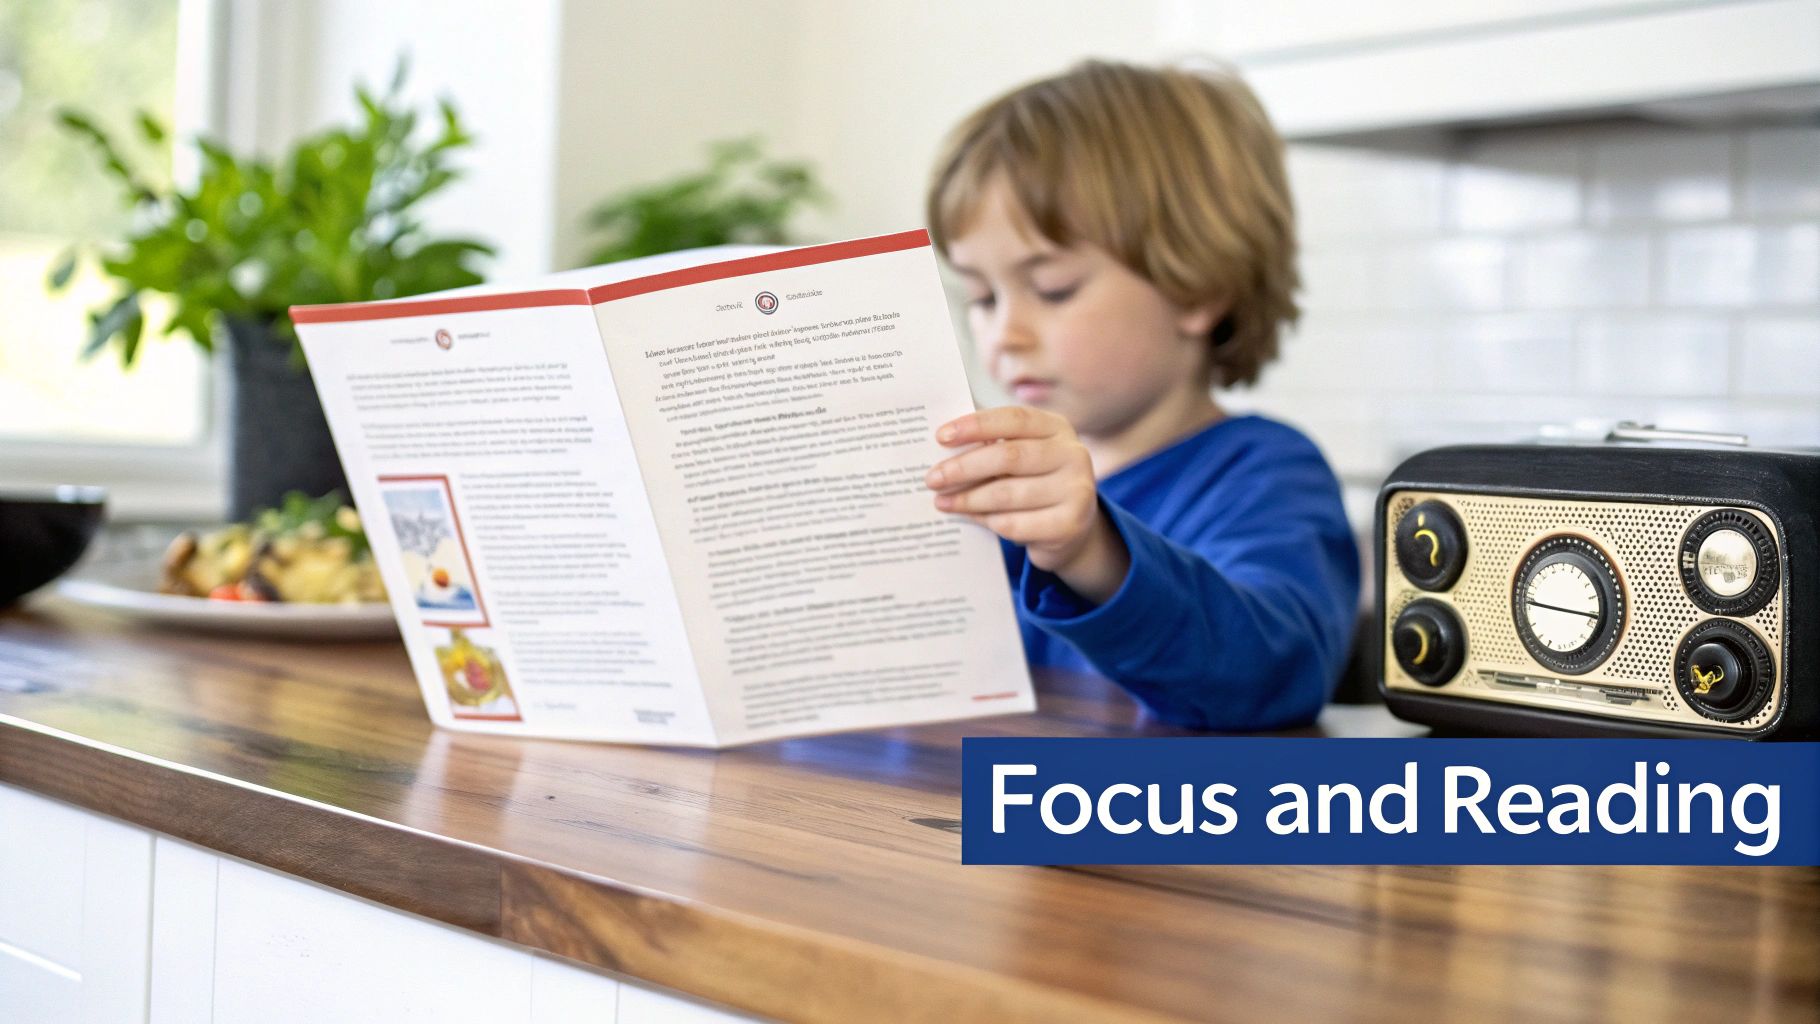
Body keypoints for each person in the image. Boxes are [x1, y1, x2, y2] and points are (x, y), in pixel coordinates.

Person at [922, 59, 1359, 731]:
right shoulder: (989, 484)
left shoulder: (1263, 473)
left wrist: (1091, 549)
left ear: (1196, 287)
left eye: (1054, 289)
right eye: (981, 296)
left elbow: (1274, 675)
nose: (1002, 334)